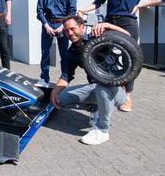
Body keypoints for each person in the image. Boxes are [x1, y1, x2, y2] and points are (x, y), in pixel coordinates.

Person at [77, 0, 165, 112]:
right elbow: (97, 2)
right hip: (109, 22)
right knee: (102, 54)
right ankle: (104, 87)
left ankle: (128, 97)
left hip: (128, 23)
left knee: (129, 59)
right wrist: (83, 10)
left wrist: (141, 5)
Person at [51, 15, 129, 145]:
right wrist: (55, 91)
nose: (70, 33)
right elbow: (66, 75)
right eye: (66, 31)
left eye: (72, 28)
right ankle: (95, 108)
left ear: (82, 27)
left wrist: (107, 25)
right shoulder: (72, 52)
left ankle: (103, 130)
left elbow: (127, 36)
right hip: (95, 88)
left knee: (103, 85)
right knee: (61, 97)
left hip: (114, 89)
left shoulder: (98, 36)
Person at [36, 0, 77, 87]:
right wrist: (46, 25)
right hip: (48, 25)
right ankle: (44, 79)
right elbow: (39, 11)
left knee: (64, 54)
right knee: (45, 53)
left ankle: (64, 78)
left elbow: (72, 11)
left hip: (63, 26)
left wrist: (63, 26)